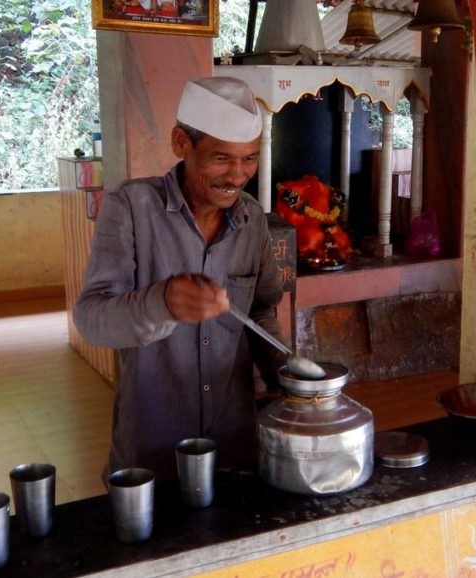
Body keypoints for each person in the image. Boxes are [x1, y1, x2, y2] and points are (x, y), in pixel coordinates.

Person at [73, 76, 286, 482]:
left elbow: (260, 309)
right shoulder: (130, 208)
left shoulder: (252, 218)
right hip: (153, 448)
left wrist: (286, 373)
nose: (237, 176)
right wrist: (162, 302)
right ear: (180, 143)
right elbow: (91, 319)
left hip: (233, 442)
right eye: (221, 158)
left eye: (249, 159)